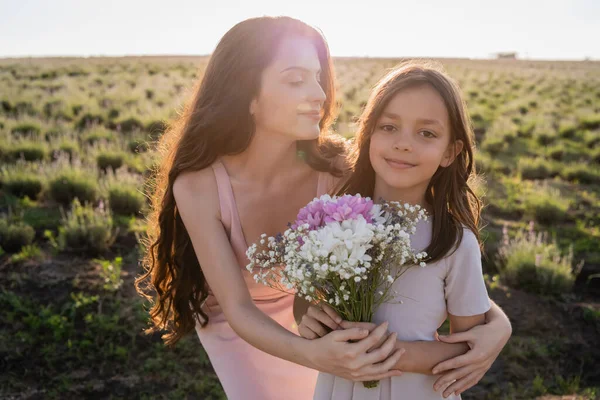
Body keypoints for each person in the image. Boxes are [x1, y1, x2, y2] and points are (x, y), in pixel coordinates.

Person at [136, 16, 511, 400]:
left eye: (317, 77)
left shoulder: (336, 169)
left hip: (323, 323)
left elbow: (429, 247)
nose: (318, 94)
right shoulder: (199, 186)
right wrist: (317, 356)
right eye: (295, 79)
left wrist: (499, 325)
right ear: (246, 95)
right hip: (243, 330)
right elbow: (238, 308)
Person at [303, 62, 499, 399]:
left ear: (450, 152)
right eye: (389, 127)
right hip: (339, 387)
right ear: (368, 134)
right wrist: (312, 324)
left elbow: (469, 347)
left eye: (427, 133)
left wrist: (381, 353)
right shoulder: (333, 222)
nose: (403, 144)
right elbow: (306, 304)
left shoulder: (453, 241)